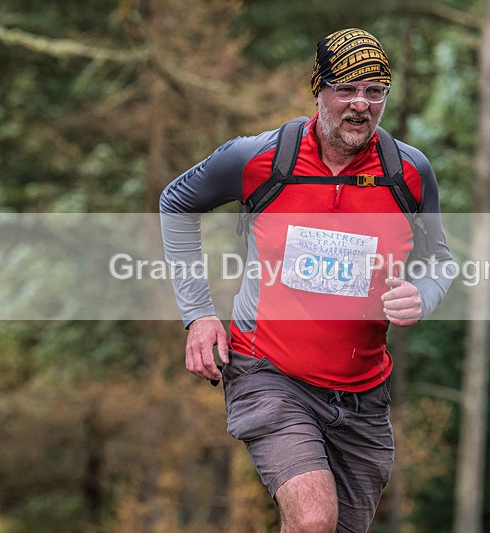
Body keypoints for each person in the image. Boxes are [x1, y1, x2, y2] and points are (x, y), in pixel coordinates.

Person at [160, 28, 454, 533]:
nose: (361, 104)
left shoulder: (407, 172)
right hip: (269, 372)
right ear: (318, 91)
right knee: (314, 520)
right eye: (346, 89)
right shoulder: (259, 158)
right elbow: (175, 202)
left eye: (375, 91)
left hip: (362, 394)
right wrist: (199, 314)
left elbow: (440, 259)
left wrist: (422, 295)